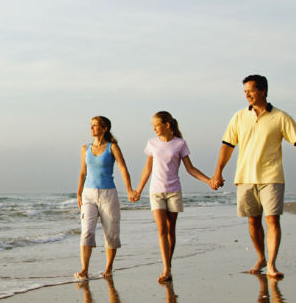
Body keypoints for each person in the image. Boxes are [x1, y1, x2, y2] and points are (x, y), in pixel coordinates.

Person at [211, 75, 296, 279]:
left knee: (272, 220)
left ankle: (272, 264)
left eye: (250, 90)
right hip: (245, 177)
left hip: (272, 176)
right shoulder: (239, 117)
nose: (247, 95)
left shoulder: (281, 117)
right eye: (245, 92)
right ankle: (261, 257)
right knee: (253, 221)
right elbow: (227, 146)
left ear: (263, 91)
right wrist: (218, 171)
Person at [129, 111, 212, 283]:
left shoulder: (180, 144)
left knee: (170, 229)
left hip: (174, 191)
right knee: (162, 230)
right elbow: (147, 169)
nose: (154, 129)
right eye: (152, 126)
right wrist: (138, 190)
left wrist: (209, 180)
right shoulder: (152, 144)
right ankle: (166, 267)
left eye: (156, 125)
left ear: (167, 125)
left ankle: (168, 266)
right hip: (156, 191)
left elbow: (190, 168)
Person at [76, 116, 134, 280]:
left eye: (95, 125)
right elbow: (82, 172)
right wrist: (79, 193)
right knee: (87, 231)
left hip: (108, 194)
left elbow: (123, 168)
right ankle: (84, 269)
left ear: (104, 128)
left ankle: (108, 268)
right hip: (88, 194)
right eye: (91, 125)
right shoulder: (85, 148)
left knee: (111, 233)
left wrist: (129, 189)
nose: (91, 128)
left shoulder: (112, 147)